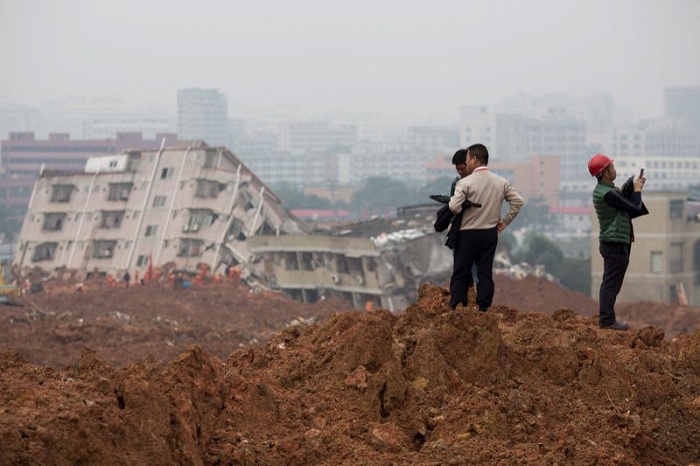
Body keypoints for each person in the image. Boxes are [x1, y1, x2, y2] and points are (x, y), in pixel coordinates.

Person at [448, 143, 523, 311]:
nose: (466, 163)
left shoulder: (465, 183)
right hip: (490, 234)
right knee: (485, 272)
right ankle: (483, 307)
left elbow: (453, 207)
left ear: (474, 159)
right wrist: (503, 222)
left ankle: (458, 307)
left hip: (467, 234)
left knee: (460, 273)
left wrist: (460, 206)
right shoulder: (501, 182)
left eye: (467, 159)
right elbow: (518, 202)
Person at [588, 154, 648, 330]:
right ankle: (607, 321)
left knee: (610, 282)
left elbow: (622, 201)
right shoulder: (608, 194)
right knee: (611, 284)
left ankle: (607, 319)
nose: (615, 170)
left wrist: (631, 187)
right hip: (614, 243)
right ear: (604, 172)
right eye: (611, 168)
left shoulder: (606, 191)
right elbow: (634, 208)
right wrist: (636, 190)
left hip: (614, 242)